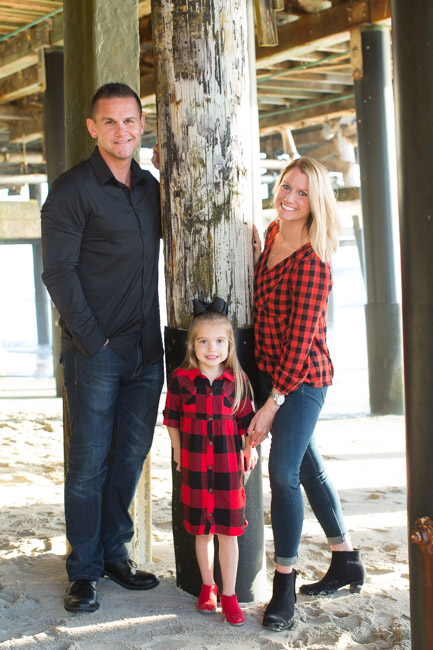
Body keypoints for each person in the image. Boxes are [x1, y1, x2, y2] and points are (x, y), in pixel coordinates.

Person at [41, 82, 164, 613]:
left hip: (147, 350)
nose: (122, 131)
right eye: (110, 122)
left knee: (131, 456)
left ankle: (116, 553)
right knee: (88, 463)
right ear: (93, 128)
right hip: (98, 352)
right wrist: (95, 341)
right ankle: (84, 570)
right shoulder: (71, 190)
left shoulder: (151, 188)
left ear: (142, 125)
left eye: (130, 121)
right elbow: (59, 275)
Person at [248, 157, 366, 631]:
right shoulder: (273, 233)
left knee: (282, 470)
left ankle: (284, 584)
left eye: (301, 193)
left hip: (302, 379)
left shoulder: (314, 262)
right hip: (269, 373)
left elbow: (299, 345)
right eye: (285, 187)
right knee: (307, 463)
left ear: (316, 202)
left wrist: (271, 404)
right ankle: (346, 557)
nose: (289, 198)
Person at [163, 298, 258, 626]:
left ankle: (230, 594)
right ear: (192, 344)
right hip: (194, 466)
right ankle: (208, 587)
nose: (211, 348)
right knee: (202, 532)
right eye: (203, 341)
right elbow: (172, 419)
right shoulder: (180, 380)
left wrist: (252, 448)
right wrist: (177, 450)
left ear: (229, 345)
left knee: (228, 533)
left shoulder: (237, 380)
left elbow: (248, 423)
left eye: (219, 341)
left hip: (228, 467)